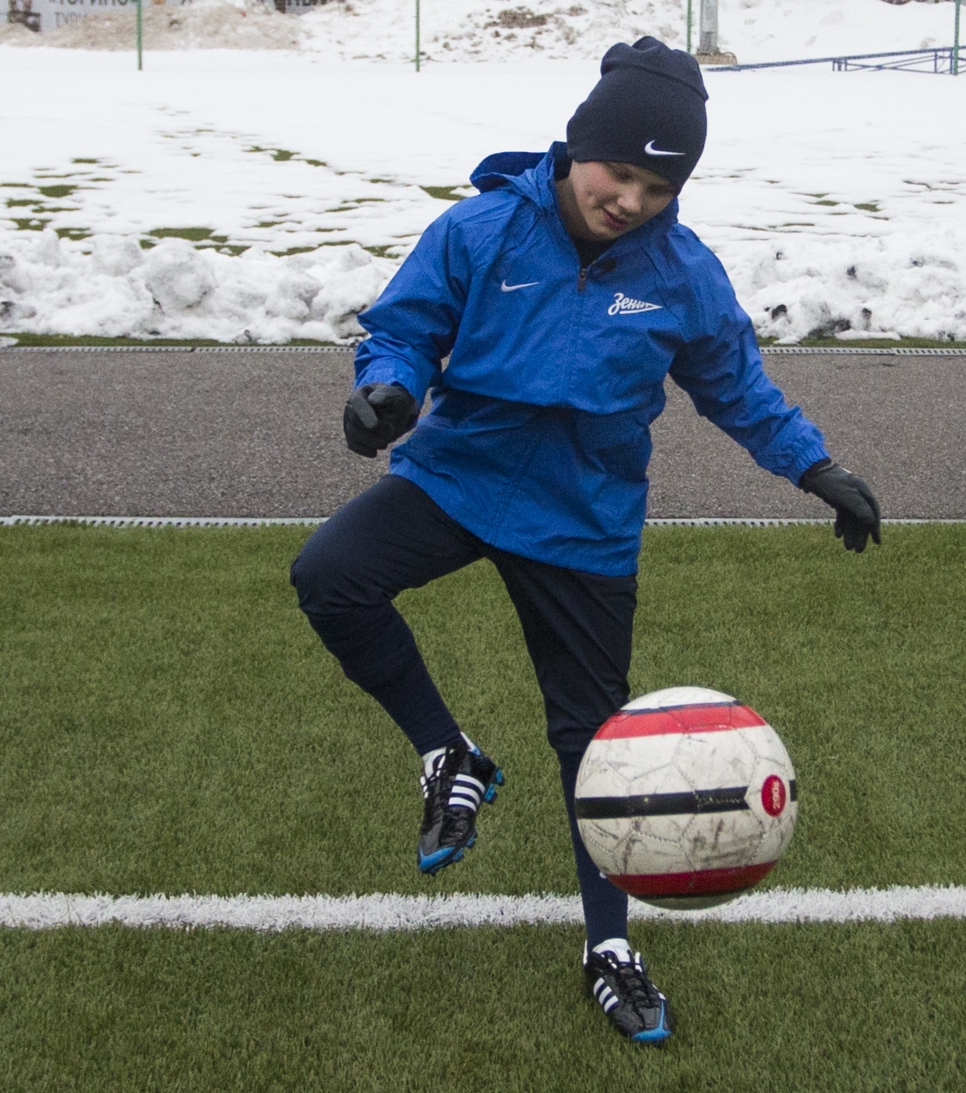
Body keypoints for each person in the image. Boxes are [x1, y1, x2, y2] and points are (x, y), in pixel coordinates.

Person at [290, 37, 880, 1044]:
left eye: (660, 185)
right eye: (620, 172)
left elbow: (735, 384)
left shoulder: (681, 271)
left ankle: (608, 946)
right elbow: (404, 326)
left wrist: (814, 467)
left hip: (583, 518)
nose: (632, 200)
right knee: (330, 576)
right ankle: (448, 754)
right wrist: (383, 386)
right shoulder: (480, 230)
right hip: (459, 476)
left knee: (594, 747)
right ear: (576, 148)